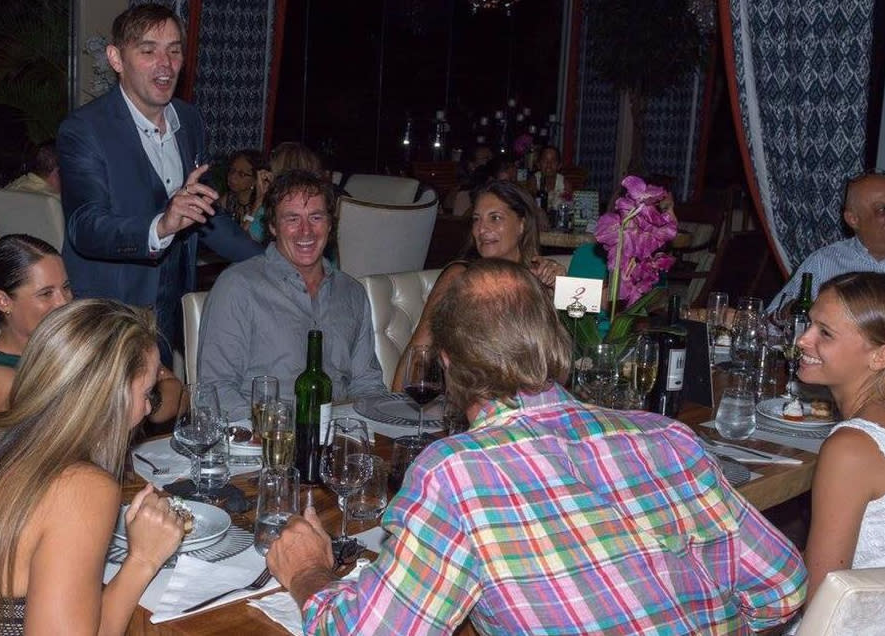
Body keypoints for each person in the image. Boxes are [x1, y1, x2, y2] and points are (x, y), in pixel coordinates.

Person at [267, 258, 807, 634]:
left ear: (449, 363)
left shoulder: (456, 473)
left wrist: (309, 571)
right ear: (554, 340)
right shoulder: (669, 438)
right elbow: (783, 589)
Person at [0, 299, 184, 633]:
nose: (148, 409)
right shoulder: (81, 487)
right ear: (112, 395)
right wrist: (144, 559)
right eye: (147, 393)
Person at [57, 4, 262, 367]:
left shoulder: (189, 119)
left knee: (164, 400)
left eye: (174, 50)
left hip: (169, 308)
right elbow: (85, 227)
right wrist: (160, 226)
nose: (165, 65)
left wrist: (270, 262)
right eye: (148, 51)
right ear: (116, 59)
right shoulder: (85, 129)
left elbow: (205, 213)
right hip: (110, 317)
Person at [197, 169, 385, 419]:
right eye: (292, 219)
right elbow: (215, 391)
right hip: (263, 436)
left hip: (337, 435)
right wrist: (274, 430)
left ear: (330, 224)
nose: (306, 231)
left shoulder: (352, 293)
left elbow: (367, 386)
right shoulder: (238, 286)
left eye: (316, 217)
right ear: (273, 226)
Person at [0, 234, 181, 424]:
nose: (63, 302)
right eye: (46, 294)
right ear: (4, 301)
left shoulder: (83, 334)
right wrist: (140, 393)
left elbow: (176, 392)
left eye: (66, 288)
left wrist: (145, 400)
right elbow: (48, 436)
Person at [392, 179, 563, 390]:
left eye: (495, 218)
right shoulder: (460, 276)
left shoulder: (537, 279)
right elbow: (420, 347)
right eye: (476, 219)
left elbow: (558, 358)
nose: (482, 228)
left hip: (531, 397)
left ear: (522, 224)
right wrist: (396, 403)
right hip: (469, 397)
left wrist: (560, 290)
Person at [799, 272, 885, 603]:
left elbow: (820, 599)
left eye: (825, 333)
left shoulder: (851, 448)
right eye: (810, 324)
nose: (802, 340)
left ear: (879, 356)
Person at [767, 172, 885, 314]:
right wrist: (796, 311)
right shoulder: (824, 262)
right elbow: (773, 317)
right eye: (882, 210)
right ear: (853, 219)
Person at [220, 148, 270, 241]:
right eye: (232, 170)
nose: (233, 177)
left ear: (255, 180)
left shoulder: (263, 208)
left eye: (241, 174)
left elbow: (242, 241)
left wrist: (257, 204)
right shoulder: (228, 200)